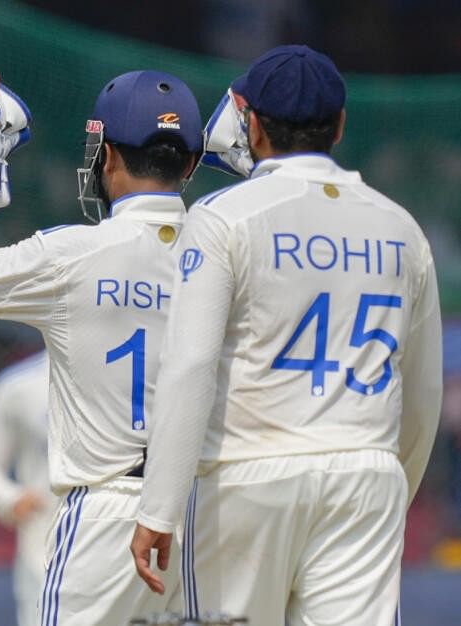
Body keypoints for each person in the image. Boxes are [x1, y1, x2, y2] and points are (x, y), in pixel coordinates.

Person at [131, 45, 443, 626]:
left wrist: (159, 507)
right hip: (364, 474)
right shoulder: (401, 227)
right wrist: (387, 480)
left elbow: (191, 365)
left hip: (243, 476)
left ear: (249, 122)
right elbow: (422, 390)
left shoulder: (224, 216)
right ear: (341, 125)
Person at [0, 64, 203, 624]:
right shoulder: (226, 246)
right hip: (207, 512)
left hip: (107, 516)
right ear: (192, 162)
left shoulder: (73, 251)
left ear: (109, 157)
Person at [0, 350, 58, 626]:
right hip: (42, 550)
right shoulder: (19, 385)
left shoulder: (126, 373)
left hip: (120, 543)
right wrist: (12, 498)